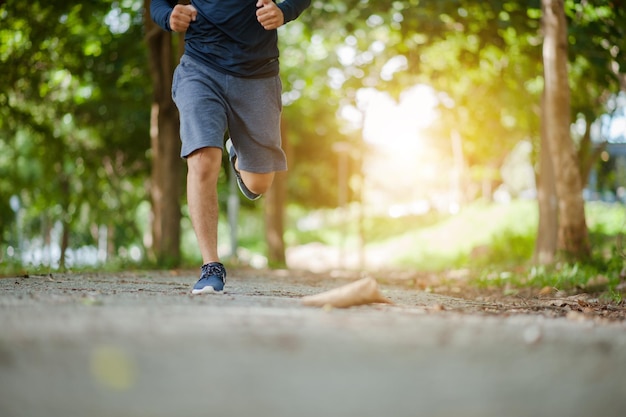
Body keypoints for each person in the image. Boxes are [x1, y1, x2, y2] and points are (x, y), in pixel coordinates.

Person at [150, 0, 311, 294]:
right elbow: (158, 3)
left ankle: (238, 156)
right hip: (200, 67)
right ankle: (211, 265)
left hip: (258, 74)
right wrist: (168, 16)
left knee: (259, 183)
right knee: (202, 159)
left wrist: (285, 11)